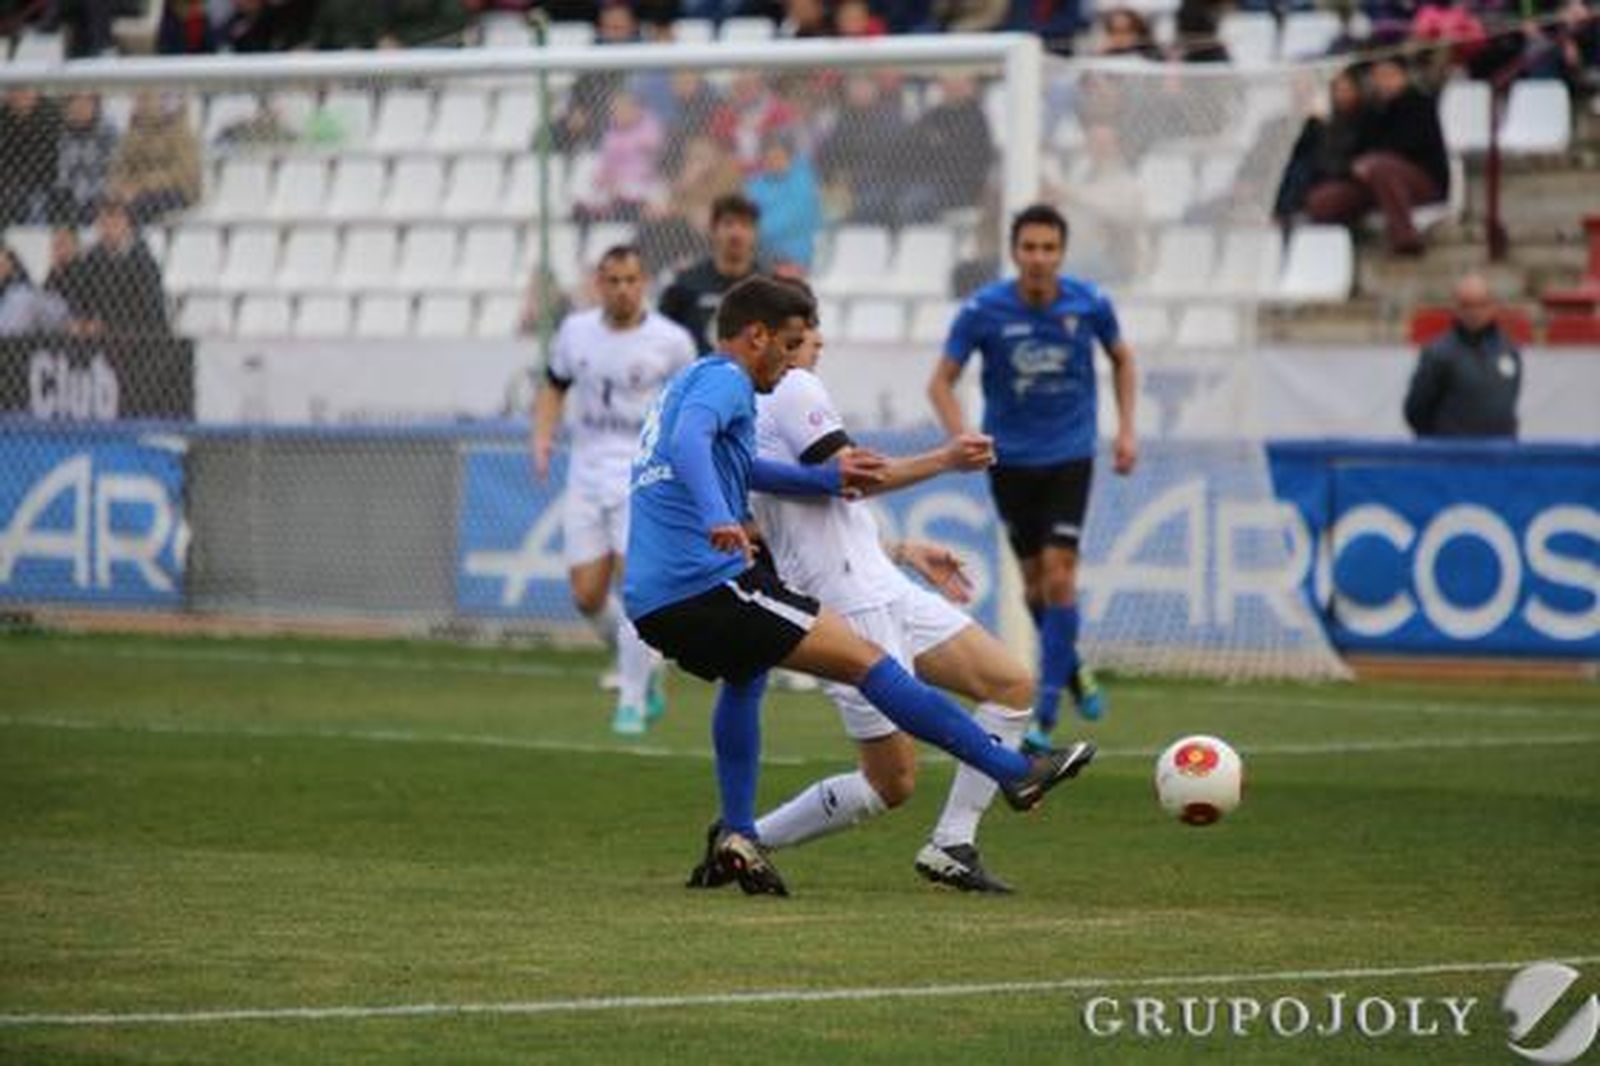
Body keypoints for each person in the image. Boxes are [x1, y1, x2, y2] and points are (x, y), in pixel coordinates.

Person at [624, 275, 1096, 897]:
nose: (793, 360)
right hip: (707, 583)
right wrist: (718, 514)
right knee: (871, 675)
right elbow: (693, 447)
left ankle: (739, 835)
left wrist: (829, 491)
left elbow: (751, 469)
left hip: (659, 594)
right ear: (759, 336)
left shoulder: (688, 382)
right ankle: (1011, 768)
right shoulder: (733, 380)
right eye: (788, 344)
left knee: (746, 678)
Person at [745, 285, 1046, 893]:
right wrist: (946, 459)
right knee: (891, 784)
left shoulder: (773, 407)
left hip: (882, 583)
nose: (819, 342)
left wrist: (905, 551)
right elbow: (852, 482)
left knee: (1010, 684)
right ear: (776, 339)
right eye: (806, 332)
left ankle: (952, 844)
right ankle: (745, 839)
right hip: (847, 603)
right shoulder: (790, 391)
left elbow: (825, 507)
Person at [927, 203, 1137, 751]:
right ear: (1015, 252)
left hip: (1070, 454)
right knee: (1035, 586)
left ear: (1061, 253)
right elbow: (941, 382)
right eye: (1030, 248)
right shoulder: (983, 310)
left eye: (1049, 248)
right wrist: (962, 437)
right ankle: (1072, 671)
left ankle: (1043, 718)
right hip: (1010, 461)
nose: (1039, 258)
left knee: (1060, 573)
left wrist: (1127, 431)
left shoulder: (1089, 303)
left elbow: (1123, 359)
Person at [531, 245, 696, 734]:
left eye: (630, 279)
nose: (622, 289)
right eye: (613, 280)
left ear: (643, 282)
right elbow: (555, 384)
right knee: (586, 596)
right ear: (599, 284)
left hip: (641, 477)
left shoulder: (671, 341)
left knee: (635, 591)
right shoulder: (575, 331)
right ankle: (643, 666)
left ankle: (630, 700)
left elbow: (690, 405)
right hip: (585, 473)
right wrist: (542, 436)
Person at [1306, 58, 1448, 256]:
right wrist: (1354, 168)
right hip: (1374, 183)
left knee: (1379, 166)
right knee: (1323, 200)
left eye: (1389, 75)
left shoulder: (1420, 105)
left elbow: (1412, 147)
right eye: (1378, 77)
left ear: (1403, 77)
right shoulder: (1371, 112)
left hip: (1422, 182)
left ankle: (1405, 238)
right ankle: (1338, 253)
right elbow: (1356, 154)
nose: (1384, 82)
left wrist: (1371, 163)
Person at [1404, 274, 1521, 439]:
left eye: (1481, 304)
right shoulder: (1438, 354)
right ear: (1456, 308)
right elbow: (1416, 410)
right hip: (1452, 457)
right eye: (1467, 306)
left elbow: (1509, 401)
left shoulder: (1508, 350)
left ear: (1492, 305)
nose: (1474, 313)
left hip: (1498, 456)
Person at [658, 193, 762, 355]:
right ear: (713, 230)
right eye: (728, 224)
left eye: (744, 225)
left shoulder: (769, 288)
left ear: (755, 233)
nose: (736, 233)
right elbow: (661, 338)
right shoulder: (685, 284)